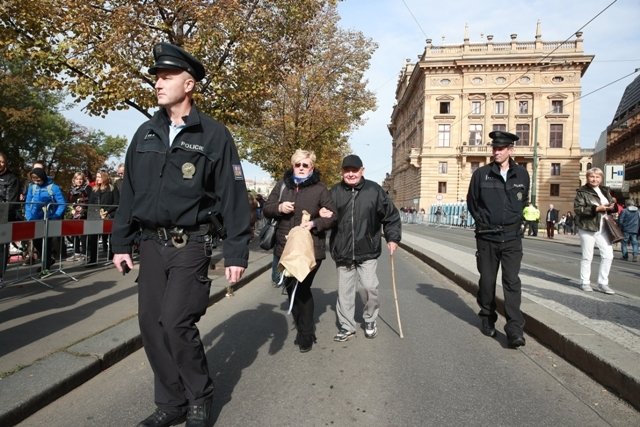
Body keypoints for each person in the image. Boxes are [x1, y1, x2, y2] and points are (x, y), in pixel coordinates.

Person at [110, 42, 252, 427]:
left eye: (167, 76)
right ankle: (170, 403)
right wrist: (120, 242)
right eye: (156, 76)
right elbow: (129, 194)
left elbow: (234, 197)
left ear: (188, 84)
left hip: (191, 242)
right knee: (151, 324)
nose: (158, 82)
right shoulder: (144, 133)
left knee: (176, 322)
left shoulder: (214, 135)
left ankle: (199, 397)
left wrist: (237, 253)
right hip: (151, 244)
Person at [263, 149, 336, 352]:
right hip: (284, 248)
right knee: (289, 289)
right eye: (298, 164)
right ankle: (302, 326)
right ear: (293, 166)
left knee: (302, 289)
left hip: (309, 248)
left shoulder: (320, 189)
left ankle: (306, 334)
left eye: (306, 165)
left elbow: (332, 216)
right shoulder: (282, 185)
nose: (302, 168)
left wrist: (314, 223)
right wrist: (279, 208)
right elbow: (267, 208)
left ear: (312, 167)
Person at [322, 154, 401, 342]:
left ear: (361, 171)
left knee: (369, 288)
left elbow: (391, 216)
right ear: (342, 172)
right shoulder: (334, 192)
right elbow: (327, 219)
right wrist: (323, 216)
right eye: (347, 170)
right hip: (343, 250)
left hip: (368, 250)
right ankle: (347, 326)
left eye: (354, 170)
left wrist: (393, 238)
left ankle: (370, 319)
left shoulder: (375, 191)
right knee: (345, 292)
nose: (350, 174)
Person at [466, 131, 530, 348]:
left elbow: (524, 200)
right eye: (494, 148)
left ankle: (514, 329)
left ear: (510, 150)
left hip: (512, 237)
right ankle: (487, 317)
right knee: (487, 281)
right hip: (487, 237)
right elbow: (472, 202)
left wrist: (518, 219)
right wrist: (482, 222)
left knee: (512, 282)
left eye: (500, 149)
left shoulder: (522, 174)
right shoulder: (481, 174)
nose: (496, 152)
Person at [574, 167, 616, 295]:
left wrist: (611, 207)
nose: (594, 179)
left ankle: (603, 283)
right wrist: (595, 209)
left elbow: (609, 208)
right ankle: (585, 281)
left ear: (601, 179)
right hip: (588, 227)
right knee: (587, 256)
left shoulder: (605, 190)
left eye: (597, 177)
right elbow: (578, 209)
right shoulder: (582, 191)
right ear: (587, 178)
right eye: (592, 176)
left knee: (609, 255)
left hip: (603, 226)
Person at [24, 167, 67, 272]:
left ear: (43, 177)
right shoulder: (32, 187)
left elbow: (62, 204)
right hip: (34, 219)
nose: (36, 182)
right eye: (34, 180)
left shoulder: (54, 187)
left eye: (38, 180)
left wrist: (55, 216)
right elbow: (28, 203)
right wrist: (29, 216)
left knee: (46, 242)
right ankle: (48, 259)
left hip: (48, 218)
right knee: (37, 242)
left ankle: (46, 265)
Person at [87, 170, 119, 264]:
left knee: (110, 237)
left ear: (104, 177)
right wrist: (95, 214)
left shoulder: (112, 188)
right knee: (93, 238)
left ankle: (111, 256)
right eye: (97, 177)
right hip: (95, 216)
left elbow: (116, 202)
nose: (98, 179)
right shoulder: (94, 189)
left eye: (100, 177)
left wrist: (107, 211)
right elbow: (91, 203)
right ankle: (92, 259)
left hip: (109, 215)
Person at [0, 152, 20, 287]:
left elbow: (11, 203)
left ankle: (0, 276)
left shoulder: (11, 179)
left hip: (3, 218)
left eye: (1, 161)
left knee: (1, 248)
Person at [67, 171, 92, 260]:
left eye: (81, 179)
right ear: (74, 180)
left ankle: (85, 253)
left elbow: (90, 200)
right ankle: (76, 252)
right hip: (74, 215)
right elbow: (68, 202)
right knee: (74, 234)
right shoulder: (71, 190)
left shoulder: (87, 188)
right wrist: (72, 210)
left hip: (84, 214)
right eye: (77, 179)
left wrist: (83, 208)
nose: (79, 181)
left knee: (83, 235)